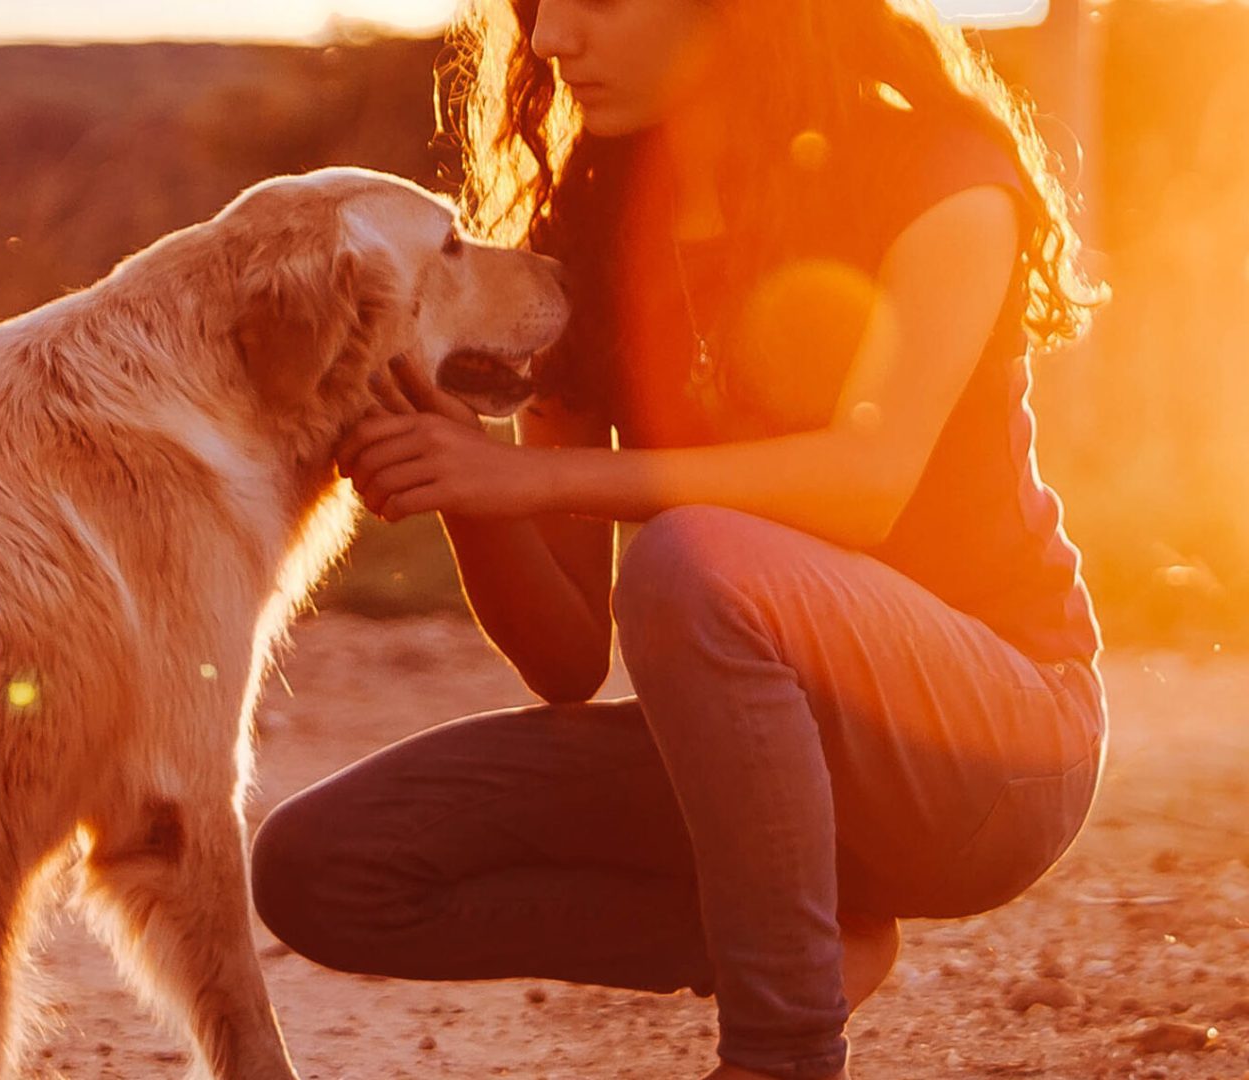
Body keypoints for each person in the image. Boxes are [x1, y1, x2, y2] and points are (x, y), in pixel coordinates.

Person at [246, 2, 1109, 1078]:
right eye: (534, 7)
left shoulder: (940, 174)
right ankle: (804, 946)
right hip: (748, 762)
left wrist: (538, 475)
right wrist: (463, 471)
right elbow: (566, 661)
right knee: (321, 868)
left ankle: (779, 1053)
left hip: (991, 757)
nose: (552, 39)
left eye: (594, 0)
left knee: (691, 559)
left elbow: (863, 485)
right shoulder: (592, 232)